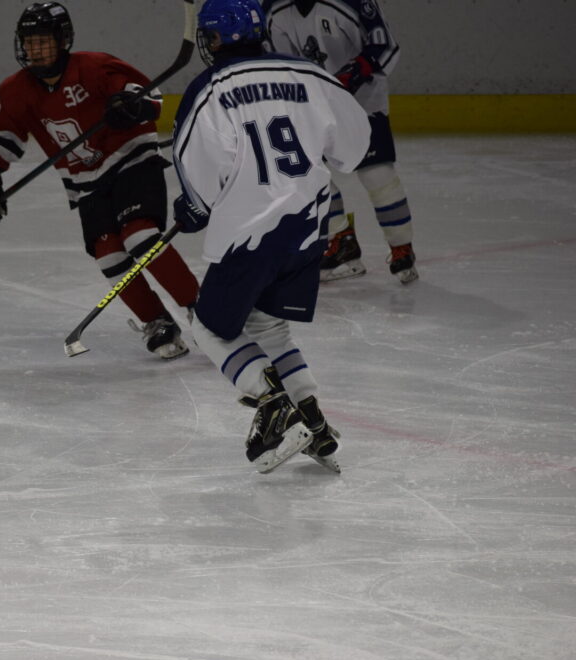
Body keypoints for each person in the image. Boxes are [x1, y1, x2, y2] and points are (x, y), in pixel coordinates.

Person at [171, 0, 371, 473]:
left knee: (208, 326)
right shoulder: (309, 75)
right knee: (267, 327)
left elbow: (197, 164)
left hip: (251, 234)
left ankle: (271, 401)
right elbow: (354, 144)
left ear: (214, 39)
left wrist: (193, 206)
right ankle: (312, 420)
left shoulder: (211, 87)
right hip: (308, 228)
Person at [0, 1, 201, 360]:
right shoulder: (16, 90)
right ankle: (157, 321)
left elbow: (149, 97)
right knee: (109, 255)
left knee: (140, 235)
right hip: (86, 182)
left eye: (43, 41)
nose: (34, 50)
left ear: (63, 41)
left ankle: (201, 306)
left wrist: (130, 106)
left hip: (132, 161)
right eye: (29, 42)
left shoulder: (94, 67)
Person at [264, 0, 418, 284]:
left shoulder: (352, 2)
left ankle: (401, 247)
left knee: (376, 173)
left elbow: (385, 46)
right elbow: (278, 62)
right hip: (313, 104)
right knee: (304, 172)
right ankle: (342, 242)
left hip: (362, 102)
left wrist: (356, 71)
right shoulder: (274, 8)